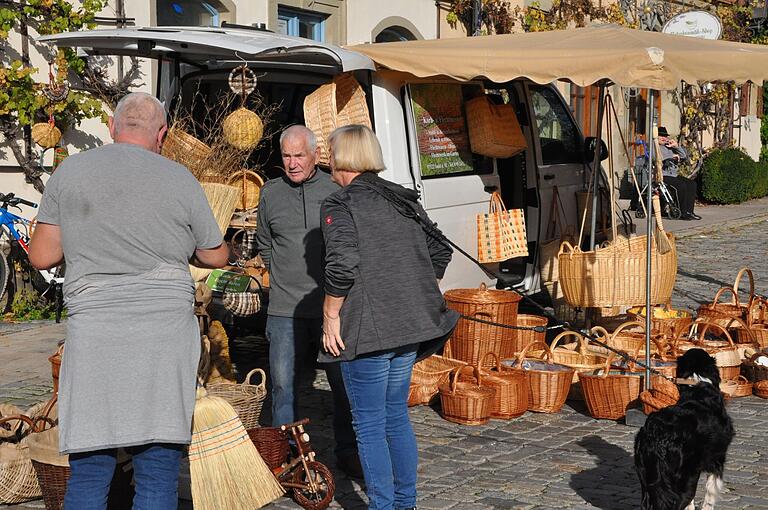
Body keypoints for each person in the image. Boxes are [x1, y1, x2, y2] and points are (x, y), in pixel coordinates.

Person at [28, 92, 229, 509]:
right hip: (163, 339)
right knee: (156, 476)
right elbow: (214, 255)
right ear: (163, 134)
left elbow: (43, 256)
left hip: (96, 336)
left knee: (89, 471)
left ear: (113, 129)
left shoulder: (71, 173)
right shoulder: (180, 178)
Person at [320, 124, 460, 510]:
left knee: (369, 426)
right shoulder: (401, 198)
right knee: (395, 418)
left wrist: (331, 314)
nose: (326, 157)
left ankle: (385, 506)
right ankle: (405, 503)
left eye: (330, 150)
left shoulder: (340, 203)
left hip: (370, 332)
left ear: (343, 156)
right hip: (407, 327)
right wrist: (408, 289)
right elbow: (439, 252)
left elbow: (342, 264)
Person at [255, 124, 361, 477]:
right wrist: (280, 275)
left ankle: (349, 452)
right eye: (286, 155)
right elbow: (264, 242)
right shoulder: (270, 193)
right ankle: (287, 456)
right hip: (284, 310)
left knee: (342, 386)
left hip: (330, 309)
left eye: (300, 155)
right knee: (283, 387)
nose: (293, 163)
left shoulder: (335, 189)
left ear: (317, 155)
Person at [658, 126, 700, 221]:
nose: (664, 138)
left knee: (692, 184)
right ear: (656, 137)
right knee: (681, 185)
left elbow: (683, 156)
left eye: (665, 136)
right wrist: (672, 156)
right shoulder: (654, 145)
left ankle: (690, 211)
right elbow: (657, 157)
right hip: (662, 174)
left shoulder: (668, 146)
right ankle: (683, 212)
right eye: (661, 136)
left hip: (673, 174)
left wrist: (677, 146)